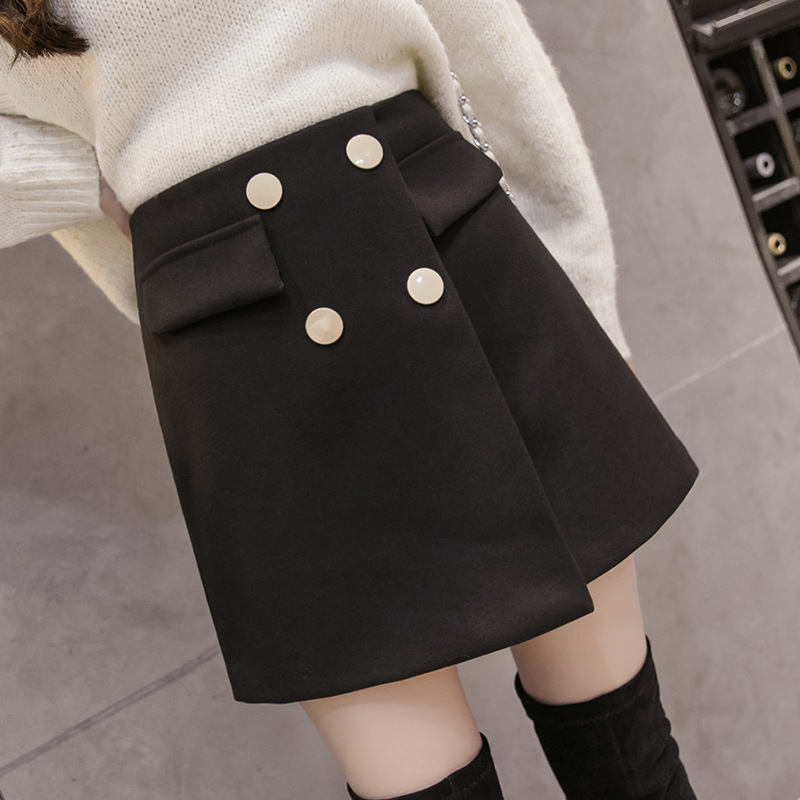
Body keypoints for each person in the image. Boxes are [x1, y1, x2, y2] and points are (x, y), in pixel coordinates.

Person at [0, 1, 701, 798]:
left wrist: (583, 279)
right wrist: (76, 176)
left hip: (447, 244)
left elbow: (483, 34)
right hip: (245, 347)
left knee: (629, 756)